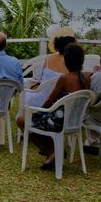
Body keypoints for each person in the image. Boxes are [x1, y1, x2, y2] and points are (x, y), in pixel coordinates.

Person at [18, 42, 88, 170]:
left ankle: (52, 152)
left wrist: (40, 112)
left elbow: (50, 101)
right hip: (75, 121)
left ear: (66, 61)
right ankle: (55, 151)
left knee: (22, 121)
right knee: (35, 121)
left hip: (58, 122)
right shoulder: (86, 78)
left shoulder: (64, 78)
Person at [22, 26, 74, 110]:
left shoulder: (49, 58)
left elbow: (39, 78)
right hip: (60, 101)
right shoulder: (71, 61)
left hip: (41, 99)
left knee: (27, 93)